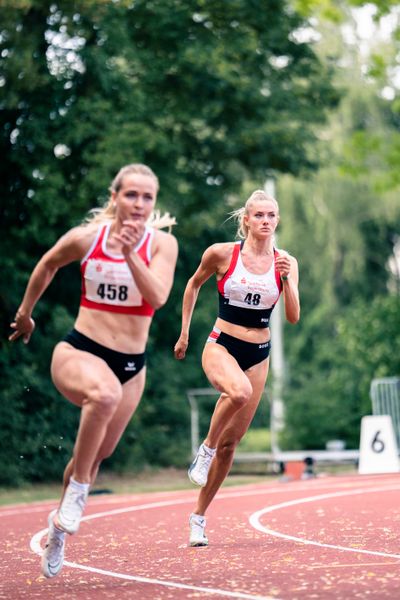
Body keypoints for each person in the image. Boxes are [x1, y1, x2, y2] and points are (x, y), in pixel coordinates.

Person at [9, 163, 178, 577]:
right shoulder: (88, 239)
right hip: (80, 351)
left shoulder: (161, 246)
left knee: (99, 452)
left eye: (147, 197)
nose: (139, 204)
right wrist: (25, 314)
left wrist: (128, 256)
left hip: (131, 366)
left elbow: (156, 297)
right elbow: (48, 264)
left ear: (153, 202)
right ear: (115, 197)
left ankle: (58, 531)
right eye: (131, 195)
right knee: (103, 395)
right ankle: (81, 491)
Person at [174, 189, 300, 547]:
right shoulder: (221, 254)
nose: (265, 221)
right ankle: (205, 448)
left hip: (259, 352)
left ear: (277, 220)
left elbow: (292, 317)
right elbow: (192, 284)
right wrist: (184, 334)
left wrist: (288, 279)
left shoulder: (285, 261)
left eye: (271, 215)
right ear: (246, 220)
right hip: (221, 344)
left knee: (233, 444)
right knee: (238, 393)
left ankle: (198, 517)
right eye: (258, 215)